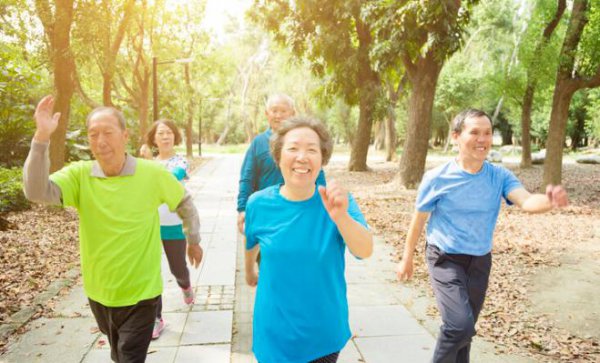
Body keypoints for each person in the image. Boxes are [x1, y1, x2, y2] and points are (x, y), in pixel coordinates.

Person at [23, 95, 203, 363]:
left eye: (108, 132)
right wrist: (41, 137)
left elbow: (184, 202)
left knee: (129, 356)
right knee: (118, 354)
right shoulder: (80, 176)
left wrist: (193, 238)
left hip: (142, 294)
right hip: (100, 294)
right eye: (93, 134)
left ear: (125, 135)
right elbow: (36, 190)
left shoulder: (151, 174)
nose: (100, 141)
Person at [396, 109, 568, 363]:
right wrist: (406, 258)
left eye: (487, 133)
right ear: (456, 137)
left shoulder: (498, 176)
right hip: (445, 258)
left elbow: (527, 200)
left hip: (479, 261)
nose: (482, 139)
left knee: (466, 334)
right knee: (459, 326)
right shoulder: (437, 178)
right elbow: (419, 219)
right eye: (474, 132)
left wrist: (550, 201)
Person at [244, 116, 373, 363]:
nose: (302, 157)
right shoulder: (258, 203)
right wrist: (249, 271)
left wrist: (341, 217)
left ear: (322, 160)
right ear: (278, 156)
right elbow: (251, 240)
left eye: (311, 150)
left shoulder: (339, 202)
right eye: (293, 148)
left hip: (322, 335)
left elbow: (364, 250)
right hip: (273, 332)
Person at [236, 93, 325, 236]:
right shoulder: (258, 143)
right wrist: (242, 209)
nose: (278, 115)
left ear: (293, 113)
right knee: (264, 256)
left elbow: (317, 174)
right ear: (267, 113)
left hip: (300, 212)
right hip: (266, 213)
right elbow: (247, 177)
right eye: (274, 110)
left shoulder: (303, 140)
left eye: (283, 111)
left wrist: (323, 205)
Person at [140, 120, 195, 340]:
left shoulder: (180, 161)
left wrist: (147, 164)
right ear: (154, 138)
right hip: (150, 224)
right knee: (151, 273)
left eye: (169, 133)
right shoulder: (145, 164)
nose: (165, 136)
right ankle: (156, 318)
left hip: (173, 224)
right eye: (161, 133)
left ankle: (186, 285)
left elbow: (169, 179)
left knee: (177, 268)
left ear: (175, 137)